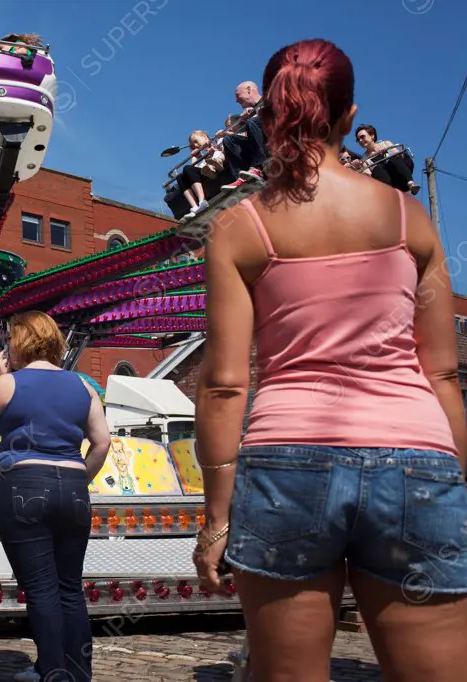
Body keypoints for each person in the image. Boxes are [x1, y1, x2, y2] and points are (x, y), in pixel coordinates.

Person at [193, 39, 467, 682]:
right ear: (349, 118)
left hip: (289, 459)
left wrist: (215, 521)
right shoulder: (409, 219)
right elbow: (444, 373)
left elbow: (226, 385)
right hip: (417, 461)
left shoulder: (241, 226)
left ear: (268, 119)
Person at [0, 311, 111, 682]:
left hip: (24, 485)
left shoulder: (10, 383)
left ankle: (52, 672)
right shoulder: (84, 387)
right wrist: (81, 475)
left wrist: (2, 380)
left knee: (41, 588)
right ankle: (79, 673)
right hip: (74, 488)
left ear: (19, 344)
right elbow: (102, 442)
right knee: (70, 586)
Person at [220, 80, 266, 191]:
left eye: (238, 95)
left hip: (276, 139)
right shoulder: (249, 116)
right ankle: (243, 178)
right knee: (229, 139)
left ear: (249, 90)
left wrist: (256, 114)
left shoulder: (270, 99)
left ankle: (260, 167)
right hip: (258, 146)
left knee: (253, 122)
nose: (236, 100)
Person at [354, 124, 421, 195]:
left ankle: (410, 183)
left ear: (372, 136)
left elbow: (400, 157)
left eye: (362, 137)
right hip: (389, 181)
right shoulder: (365, 159)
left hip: (400, 174)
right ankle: (387, 193)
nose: (360, 140)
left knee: (393, 158)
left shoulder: (386, 144)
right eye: (358, 139)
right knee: (377, 169)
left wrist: (387, 151)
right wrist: (358, 167)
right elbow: (368, 175)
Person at [178, 130, 226, 219]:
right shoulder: (200, 153)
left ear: (204, 137)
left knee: (187, 168)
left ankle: (202, 201)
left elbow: (219, 145)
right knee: (180, 176)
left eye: (196, 141)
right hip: (202, 173)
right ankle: (195, 207)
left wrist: (208, 147)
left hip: (212, 170)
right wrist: (194, 157)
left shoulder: (214, 142)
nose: (195, 145)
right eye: (192, 145)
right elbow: (190, 170)